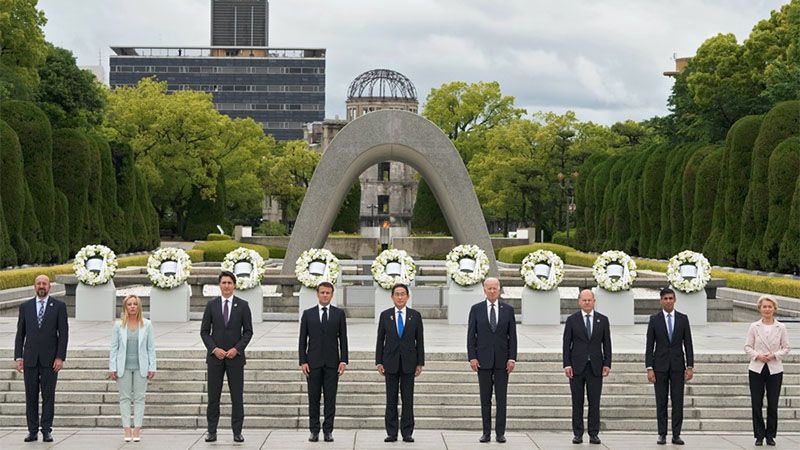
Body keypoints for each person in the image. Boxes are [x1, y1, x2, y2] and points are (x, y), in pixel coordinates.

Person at [14, 275, 69, 443]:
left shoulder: (59, 306)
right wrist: (18, 357)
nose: (41, 286)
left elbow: (63, 334)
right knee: (30, 396)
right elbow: (20, 334)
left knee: (48, 396)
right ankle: (32, 431)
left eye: (44, 283)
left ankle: (46, 430)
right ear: (34, 286)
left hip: (50, 360)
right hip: (30, 360)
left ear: (49, 287)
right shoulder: (26, 307)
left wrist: (60, 357)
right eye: (39, 283)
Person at [200, 271, 253, 443]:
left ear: (234, 285)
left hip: (235, 359)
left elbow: (248, 332)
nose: (227, 286)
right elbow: (205, 332)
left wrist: (236, 349)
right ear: (219, 285)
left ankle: (237, 432)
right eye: (224, 283)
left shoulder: (243, 305)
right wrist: (214, 349)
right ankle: (211, 431)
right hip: (215, 358)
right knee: (213, 397)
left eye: (230, 283)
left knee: (237, 397)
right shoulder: (212, 305)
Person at [467, 277, 517, 443]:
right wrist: (472, 357)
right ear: (484, 290)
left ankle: (500, 433)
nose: (492, 291)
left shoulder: (508, 310)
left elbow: (513, 337)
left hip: (503, 362)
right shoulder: (476, 309)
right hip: (483, 361)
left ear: (499, 289)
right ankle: (486, 432)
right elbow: (471, 336)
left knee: (501, 399)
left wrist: (512, 358)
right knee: (485, 398)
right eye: (489, 288)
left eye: (495, 288)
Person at [299, 281, 349, 442]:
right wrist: (303, 361)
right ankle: (314, 430)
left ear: (332, 295)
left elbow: (343, 338)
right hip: (312, 363)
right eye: (322, 292)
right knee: (313, 399)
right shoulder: (308, 314)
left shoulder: (339, 314)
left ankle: (328, 430)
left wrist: (343, 360)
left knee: (330, 399)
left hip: (332, 363)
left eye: (328, 293)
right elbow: (302, 340)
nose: (325, 295)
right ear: (317, 294)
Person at [375, 284, 425, 443]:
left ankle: (407, 432)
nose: (400, 297)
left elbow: (420, 341)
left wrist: (420, 362)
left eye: (403, 294)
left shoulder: (415, 316)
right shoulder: (385, 315)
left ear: (408, 297)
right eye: (397, 294)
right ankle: (391, 432)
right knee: (391, 399)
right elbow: (380, 340)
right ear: (392, 297)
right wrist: (378, 361)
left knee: (407, 399)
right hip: (390, 363)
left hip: (409, 364)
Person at [645, 287, 694, 446]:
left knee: (677, 401)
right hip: (659, 366)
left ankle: (676, 434)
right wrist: (649, 368)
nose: (668, 301)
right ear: (661, 300)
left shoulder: (683, 319)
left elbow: (688, 344)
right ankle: (662, 434)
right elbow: (649, 346)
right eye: (665, 298)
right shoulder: (654, 319)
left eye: (670, 298)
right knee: (661, 401)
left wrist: (690, 366)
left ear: (675, 300)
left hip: (678, 366)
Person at [562, 289, 611, 445]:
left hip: (595, 367)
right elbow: (566, 344)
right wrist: (567, 364)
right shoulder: (572, 320)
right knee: (577, 401)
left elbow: (607, 344)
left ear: (594, 301)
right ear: (579, 302)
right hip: (577, 367)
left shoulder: (602, 320)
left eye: (589, 300)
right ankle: (577, 433)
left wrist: (607, 364)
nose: (587, 303)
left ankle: (593, 433)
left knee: (594, 401)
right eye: (584, 300)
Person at [109, 295, 156, 442]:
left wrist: (152, 366)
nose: (132, 307)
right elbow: (114, 348)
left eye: (135, 304)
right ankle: (126, 430)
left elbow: (150, 348)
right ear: (125, 307)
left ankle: (137, 430)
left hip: (141, 367)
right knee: (125, 398)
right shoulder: (118, 325)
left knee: (140, 398)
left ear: (139, 306)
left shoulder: (147, 325)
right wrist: (112, 367)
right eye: (129, 304)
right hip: (123, 367)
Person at [745, 295, 790, 447]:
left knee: (773, 403)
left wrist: (774, 355)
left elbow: (786, 348)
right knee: (756, 403)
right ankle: (759, 435)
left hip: (774, 369)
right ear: (760, 309)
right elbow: (747, 347)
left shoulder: (781, 327)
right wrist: (757, 355)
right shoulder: (754, 326)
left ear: (774, 309)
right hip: (757, 368)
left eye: (770, 307)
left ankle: (770, 435)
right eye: (764, 306)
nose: (767, 309)